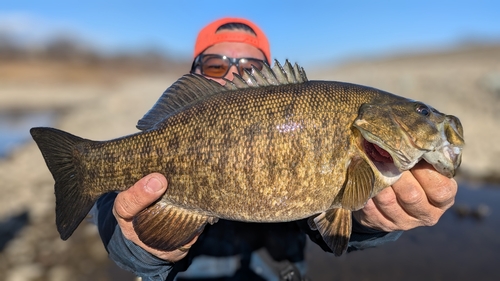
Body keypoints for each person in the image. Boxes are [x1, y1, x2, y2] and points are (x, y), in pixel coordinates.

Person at [94, 17, 458, 281]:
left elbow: (337, 222)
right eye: (216, 64)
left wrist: (371, 223)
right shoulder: (160, 141)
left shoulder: (362, 142)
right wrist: (142, 247)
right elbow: (113, 218)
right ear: (195, 71)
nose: (231, 74)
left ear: (265, 77)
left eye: (250, 67)